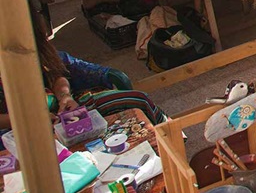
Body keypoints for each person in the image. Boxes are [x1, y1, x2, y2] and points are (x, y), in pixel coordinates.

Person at [0, 10, 167, 127]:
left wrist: (64, 97)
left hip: (61, 111)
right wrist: (28, 120)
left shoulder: (32, 46)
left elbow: (57, 71)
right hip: (14, 130)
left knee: (138, 100)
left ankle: (174, 154)